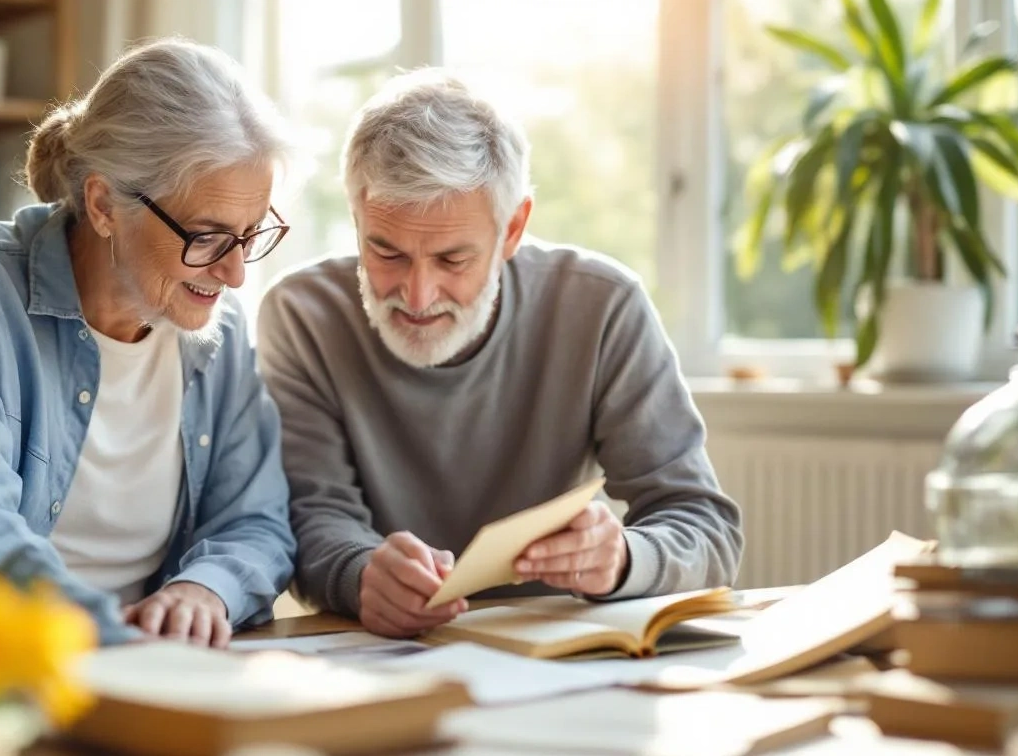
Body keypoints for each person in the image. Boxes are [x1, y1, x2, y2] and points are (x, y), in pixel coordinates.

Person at [256, 70, 743, 639]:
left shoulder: (600, 306)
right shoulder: (301, 315)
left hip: (554, 654)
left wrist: (625, 558)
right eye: (385, 251)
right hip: (379, 656)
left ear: (512, 230)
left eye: (452, 260)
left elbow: (706, 528)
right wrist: (360, 573)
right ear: (357, 216)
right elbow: (312, 518)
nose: (416, 296)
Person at [0, 39, 297, 647]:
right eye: (206, 237)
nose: (234, 274)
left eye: (251, 235)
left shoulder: (216, 324)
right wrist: (119, 635)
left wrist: (205, 590)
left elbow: (257, 519)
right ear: (103, 205)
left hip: (143, 674)